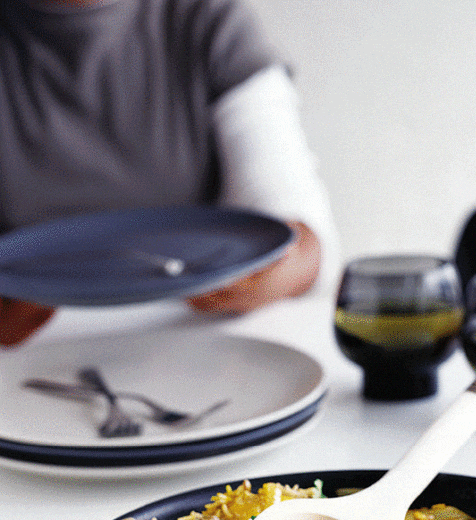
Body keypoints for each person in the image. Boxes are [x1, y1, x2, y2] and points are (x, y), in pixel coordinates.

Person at [0, 0, 338, 346]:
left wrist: (274, 271)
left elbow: (305, 241)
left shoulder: (206, 17)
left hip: (193, 346)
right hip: (21, 358)